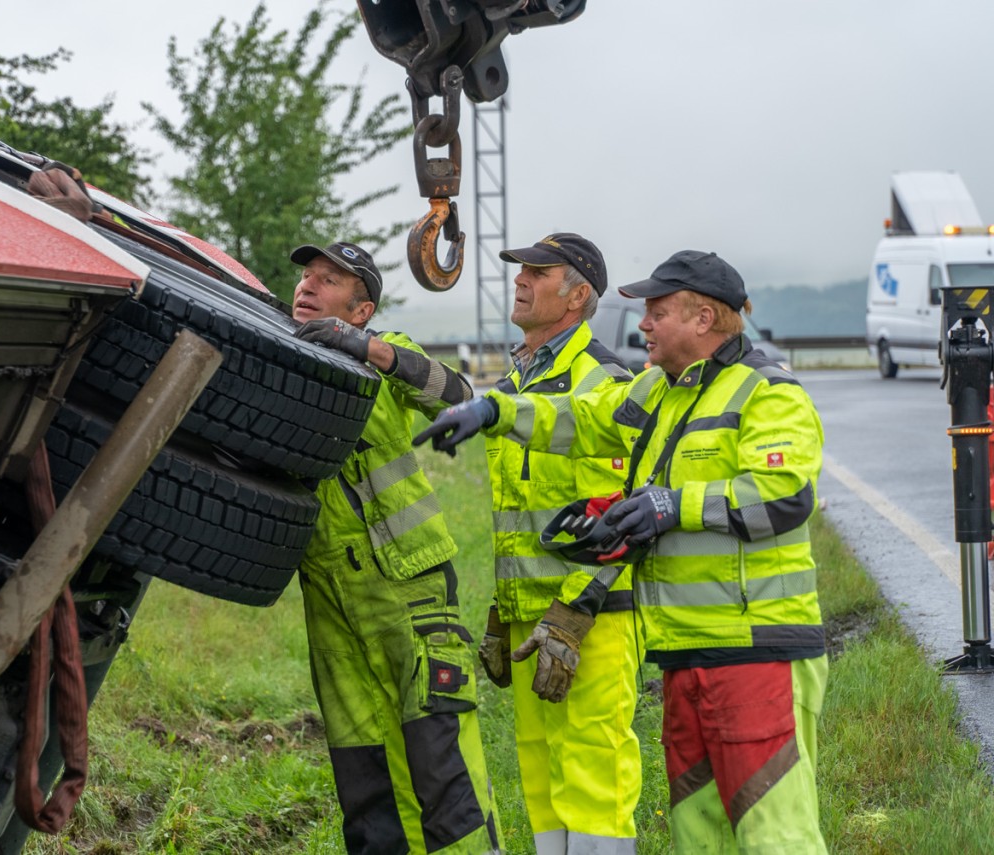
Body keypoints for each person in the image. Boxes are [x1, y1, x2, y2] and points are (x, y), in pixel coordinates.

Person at [416, 249, 828, 853]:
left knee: (775, 834)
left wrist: (671, 506)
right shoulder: (659, 393)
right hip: (684, 654)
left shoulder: (768, 391)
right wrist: (493, 410)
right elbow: (581, 420)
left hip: (757, 651)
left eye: (657, 312)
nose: (642, 325)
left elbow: (786, 494)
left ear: (704, 319)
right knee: (699, 833)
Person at [432, 232, 643, 854]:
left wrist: (575, 613)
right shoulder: (522, 376)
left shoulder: (599, 379)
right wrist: (507, 607)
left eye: (538, 271)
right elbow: (520, 512)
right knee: (541, 775)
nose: (520, 279)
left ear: (577, 295)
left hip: (589, 618)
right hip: (532, 623)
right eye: (520, 269)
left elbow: (619, 515)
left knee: (594, 772)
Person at [289, 241, 501, 855]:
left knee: (441, 766)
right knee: (366, 773)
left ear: (361, 311)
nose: (307, 287)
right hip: (329, 599)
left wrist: (370, 351)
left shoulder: (389, 355)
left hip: (409, 588)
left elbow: (454, 390)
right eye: (305, 277)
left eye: (328, 281)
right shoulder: (271, 362)